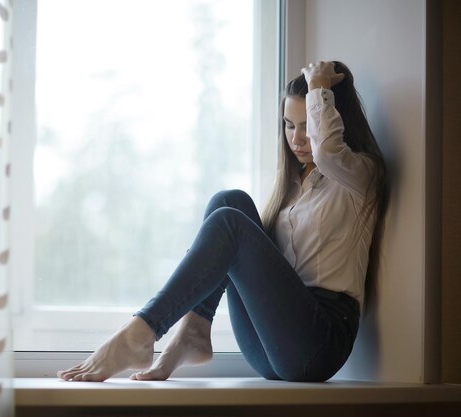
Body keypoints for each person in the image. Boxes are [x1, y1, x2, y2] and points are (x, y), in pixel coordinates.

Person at [58, 61, 387, 383]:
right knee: (229, 202)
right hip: (274, 345)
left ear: (331, 119)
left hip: (319, 343)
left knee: (231, 223)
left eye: (307, 125)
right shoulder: (293, 186)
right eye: (289, 125)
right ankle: (195, 330)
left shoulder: (360, 175)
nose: (298, 139)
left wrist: (318, 86)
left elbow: (328, 151)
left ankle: (140, 333)